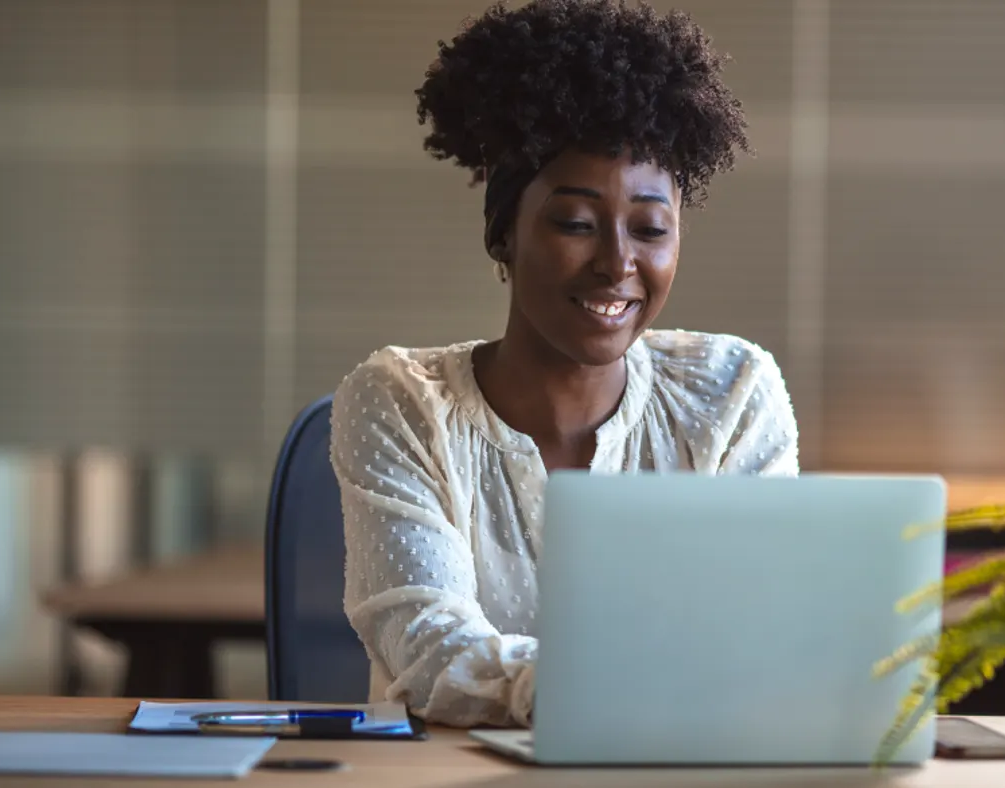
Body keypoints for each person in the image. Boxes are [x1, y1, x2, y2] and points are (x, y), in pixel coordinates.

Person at [330, 0, 800, 728]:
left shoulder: (731, 393)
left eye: (650, 229)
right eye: (575, 224)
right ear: (504, 235)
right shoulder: (400, 403)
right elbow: (426, 646)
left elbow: (761, 635)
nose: (618, 263)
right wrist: (603, 692)